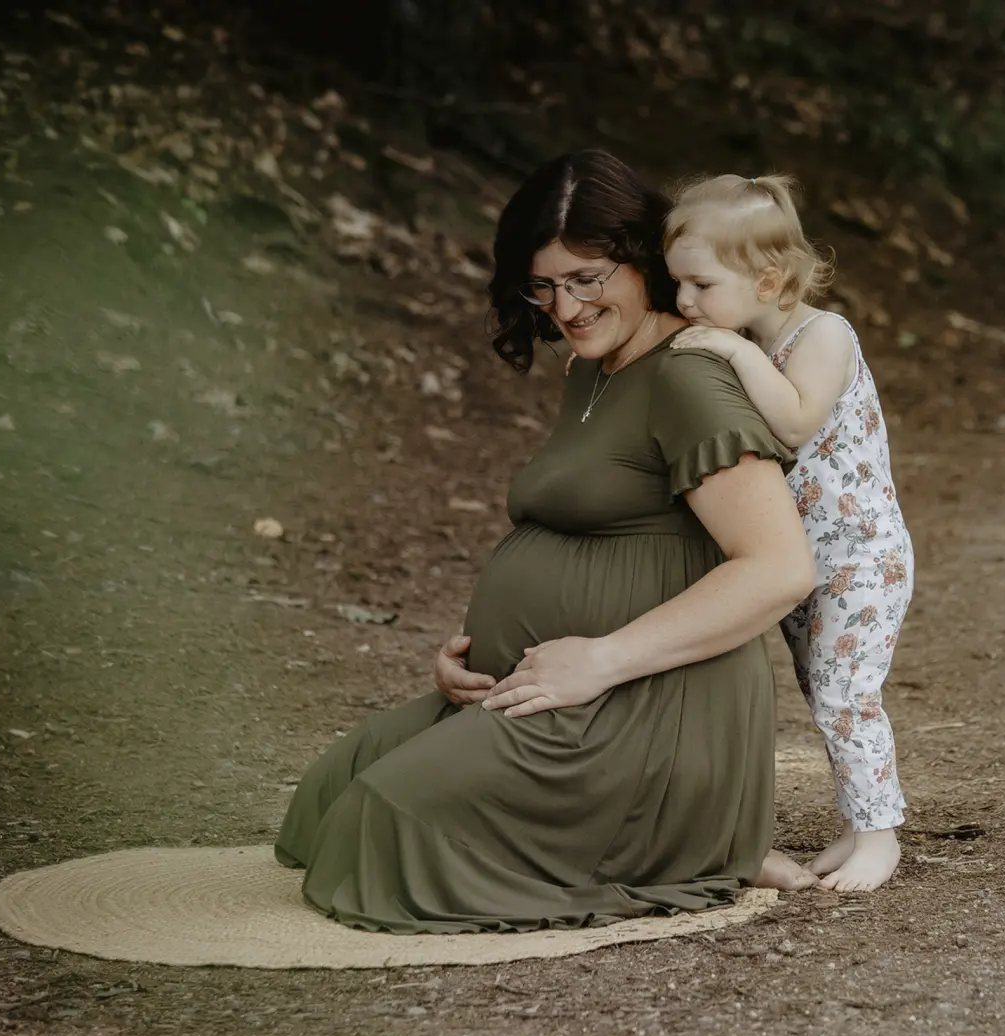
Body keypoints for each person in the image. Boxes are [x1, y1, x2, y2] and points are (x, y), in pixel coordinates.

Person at [274, 149, 817, 933]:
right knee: (330, 793)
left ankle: (685, 843)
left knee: (381, 820)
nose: (565, 307)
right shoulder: (592, 372)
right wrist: (478, 659)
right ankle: (666, 843)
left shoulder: (688, 377)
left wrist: (596, 661)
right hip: (564, 688)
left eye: (587, 277)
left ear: (642, 261)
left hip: (649, 709)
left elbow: (778, 569)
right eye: (544, 285)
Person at [665, 173, 915, 892]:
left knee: (846, 693)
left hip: (862, 555)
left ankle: (880, 835)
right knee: (822, 690)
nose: (686, 302)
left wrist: (735, 353)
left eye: (700, 284)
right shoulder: (744, 338)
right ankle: (859, 819)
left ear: (768, 279)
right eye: (677, 284)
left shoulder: (823, 334)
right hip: (806, 559)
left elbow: (800, 419)